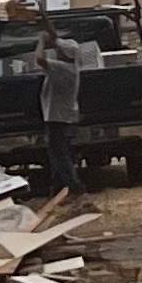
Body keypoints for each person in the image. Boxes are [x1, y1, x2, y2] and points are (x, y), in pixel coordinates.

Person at [36, 17, 90, 200]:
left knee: (59, 156)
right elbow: (55, 38)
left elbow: (39, 59)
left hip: (56, 117)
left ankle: (75, 187)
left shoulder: (62, 68)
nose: (57, 51)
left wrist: (41, 40)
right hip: (64, 117)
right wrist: (44, 19)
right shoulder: (71, 66)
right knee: (59, 154)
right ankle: (58, 188)